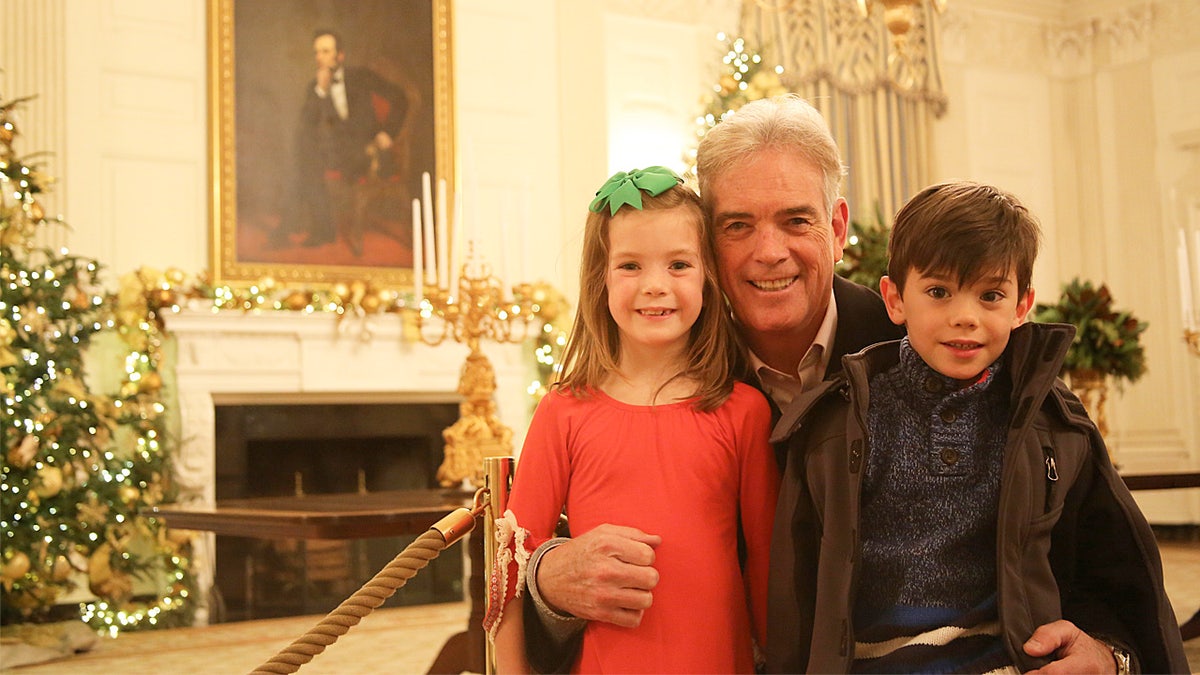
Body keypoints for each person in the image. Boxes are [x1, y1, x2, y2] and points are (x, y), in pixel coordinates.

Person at [522, 95, 1180, 673]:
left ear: (837, 227)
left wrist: (1109, 651)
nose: (769, 251)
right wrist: (549, 579)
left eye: (796, 220)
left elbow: (1106, 565)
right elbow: (545, 535)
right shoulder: (653, 369)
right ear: (707, 243)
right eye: (738, 225)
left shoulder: (952, 358)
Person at [769, 180, 1187, 672]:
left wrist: (1115, 657)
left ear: (1022, 306)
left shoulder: (1055, 424)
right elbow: (793, 602)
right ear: (895, 299)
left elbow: (1118, 579)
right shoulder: (836, 424)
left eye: (990, 295)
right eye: (939, 292)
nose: (965, 317)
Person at [485, 167, 780, 673]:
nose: (655, 286)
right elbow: (510, 572)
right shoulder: (563, 412)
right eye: (630, 266)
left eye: (679, 264)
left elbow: (770, 575)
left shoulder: (744, 412)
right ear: (600, 280)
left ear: (708, 276)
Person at [273, 29, 408, 254]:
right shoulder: (314, 87)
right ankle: (312, 227)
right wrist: (321, 90)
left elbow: (400, 98)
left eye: (326, 51)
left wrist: (388, 133)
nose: (319, 58)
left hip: (368, 151)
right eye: (316, 52)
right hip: (337, 153)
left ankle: (300, 226)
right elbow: (307, 124)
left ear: (340, 56)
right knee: (304, 150)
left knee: (304, 157)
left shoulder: (361, 76)